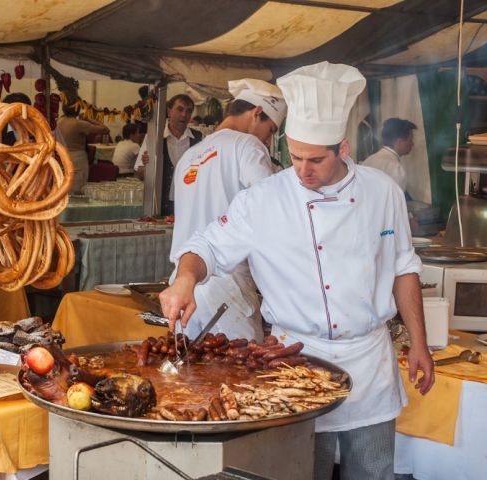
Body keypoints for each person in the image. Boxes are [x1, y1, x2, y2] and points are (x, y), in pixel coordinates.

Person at [160, 62, 434, 479]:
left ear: (343, 149)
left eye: (316, 160)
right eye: (295, 155)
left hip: (369, 362)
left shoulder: (383, 192)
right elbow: (206, 245)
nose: (302, 170)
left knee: (374, 472)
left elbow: (403, 268)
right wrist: (185, 278)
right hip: (296, 365)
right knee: (302, 471)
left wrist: (419, 343)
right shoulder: (264, 198)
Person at [170, 78, 286, 341]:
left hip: (183, 284)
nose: (268, 140)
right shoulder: (248, 146)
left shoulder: (189, 156)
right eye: (270, 130)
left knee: (189, 377)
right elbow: (271, 213)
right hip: (228, 287)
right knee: (239, 376)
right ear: (257, 113)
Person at [134, 94, 202, 215]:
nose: (184, 115)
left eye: (188, 111)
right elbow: (140, 174)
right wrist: (148, 166)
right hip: (161, 206)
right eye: (180, 109)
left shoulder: (199, 139)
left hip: (191, 205)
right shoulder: (153, 137)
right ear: (169, 111)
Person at [56, 103, 110, 193]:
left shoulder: (59, 121)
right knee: (76, 190)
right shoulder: (79, 124)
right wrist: (89, 118)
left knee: (62, 188)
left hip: (61, 157)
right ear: (78, 109)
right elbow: (105, 129)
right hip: (77, 160)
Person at [362, 118, 417, 191]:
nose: (413, 144)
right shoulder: (396, 169)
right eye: (410, 140)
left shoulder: (368, 161)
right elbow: (395, 201)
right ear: (399, 142)